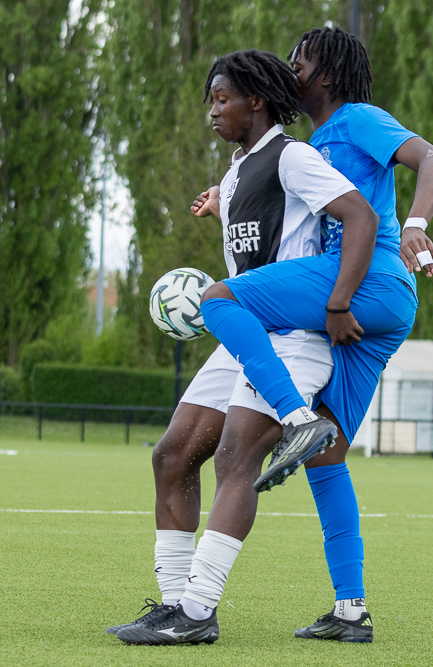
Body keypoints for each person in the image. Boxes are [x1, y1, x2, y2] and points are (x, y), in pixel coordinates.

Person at [186, 26, 433, 641]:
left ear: (327, 75)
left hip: (366, 283)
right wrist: (225, 199)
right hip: (385, 308)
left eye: (298, 62)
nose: (290, 69)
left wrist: (414, 224)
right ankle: (350, 610)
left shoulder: (358, 118)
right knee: (329, 460)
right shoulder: (310, 142)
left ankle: (291, 413)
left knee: (219, 299)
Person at [109, 49, 379, 645]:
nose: (214, 111)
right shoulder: (235, 173)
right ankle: (175, 600)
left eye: (222, 99)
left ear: (256, 100)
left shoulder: (294, 156)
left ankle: (198, 612)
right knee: (172, 456)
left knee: (236, 458)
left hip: (293, 342)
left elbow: (359, 217)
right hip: (243, 340)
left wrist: (338, 301)